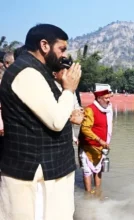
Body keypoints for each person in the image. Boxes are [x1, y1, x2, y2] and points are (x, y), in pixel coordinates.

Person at [0, 24, 81, 220]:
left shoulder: (38, 71)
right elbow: (56, 121)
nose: (64, 55)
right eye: (61, 49)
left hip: (45, 172)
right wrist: (69, 89)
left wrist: (63, 86)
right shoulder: (27, 73)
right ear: (44, 45)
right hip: (35, 175)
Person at [79, 89, 113, 192]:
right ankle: (88, 194)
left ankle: (98, 192)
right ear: (99, 99)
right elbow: (85, 129)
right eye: (106, 98)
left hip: (101, 146)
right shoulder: (90, 110)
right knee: (87, 171)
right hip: (88, 145)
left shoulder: (107, 110)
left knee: (98, 170)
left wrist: (105, 142)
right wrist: (99, 140)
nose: (108, 100)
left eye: (109, 98)